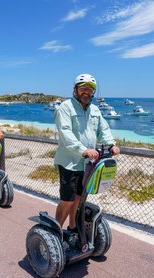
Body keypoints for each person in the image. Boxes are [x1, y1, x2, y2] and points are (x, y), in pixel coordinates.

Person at [54, 73, 120, 232]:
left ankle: (72, 226)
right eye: (83, 89)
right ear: (75, 90)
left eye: (90, 90)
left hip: (88, 164)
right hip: (69, 162)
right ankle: (55, 231)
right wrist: (83, 150)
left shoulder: (95, 110)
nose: (87, 92)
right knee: (68, 200)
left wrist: (111, 144)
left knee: (79, 198)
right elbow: (65, 133)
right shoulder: (65, 107)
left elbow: (103, 129)